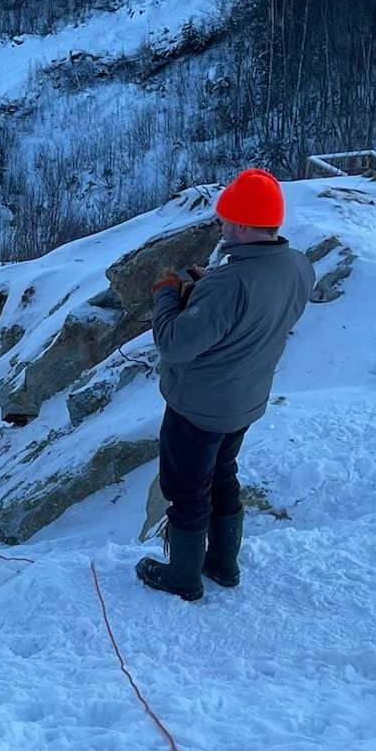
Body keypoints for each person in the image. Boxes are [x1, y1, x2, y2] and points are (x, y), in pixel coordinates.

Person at [137, 167, 314, 601]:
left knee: (186, 489)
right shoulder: (296, 266)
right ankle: (222, 563)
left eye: (224, 220)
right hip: (245, 401)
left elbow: (174, 344)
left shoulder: (230, 282)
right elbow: (256, 314)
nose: (221, 226)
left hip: (198, 407)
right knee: (223, 474)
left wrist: (166, 294)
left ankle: (183, 577)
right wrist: (208, 289)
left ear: (239, 224)